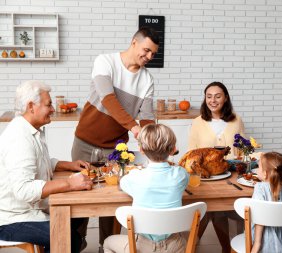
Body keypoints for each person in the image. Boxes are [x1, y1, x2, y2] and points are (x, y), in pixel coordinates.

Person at [71, 27, 159, 251]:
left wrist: (154, 140)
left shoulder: (147, 80)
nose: (148, 57)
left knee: (112, 203)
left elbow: (147, 118)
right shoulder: (105, 61)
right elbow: (107, 99)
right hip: (85, 143)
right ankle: (76, 244)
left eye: (153, 54)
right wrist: (133, 127)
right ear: (133, 43)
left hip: (116, 149)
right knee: (81, 199)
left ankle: (106, 247)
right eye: (146, 50)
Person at [0, 80, 93, 253]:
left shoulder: (29, 129)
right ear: (31, 106)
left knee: (78, 214)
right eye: (48, 104)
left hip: (28, 211)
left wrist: (67, 165)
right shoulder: (19, 138)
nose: (53, 109)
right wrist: (70, 184)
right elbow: (23, 189)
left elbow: (37, 160)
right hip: (12, 218)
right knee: (67, 237)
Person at [103, 124, 189, 253]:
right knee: (192, 237)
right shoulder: (181, 175)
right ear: (173, 150)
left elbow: (122, 183)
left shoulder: (135, 177)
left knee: (108, 242)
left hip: (140, 247)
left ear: (141, 150)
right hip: (175, 245)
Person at [188, 81, 244, 253]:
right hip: (205, 178)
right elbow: (191, 153)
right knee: (213, 209)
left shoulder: (236, 120)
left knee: (214, 210)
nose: (213, 100)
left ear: (225, 98)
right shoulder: (198, 122)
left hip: (230, 178)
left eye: (218, 96)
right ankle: (226, 248)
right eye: (209, 96)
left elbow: (241, 151)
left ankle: (192, 245)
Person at [251, 152, 282, 253]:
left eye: (258, 167)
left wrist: (257, 244)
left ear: (265, 173)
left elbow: (259, 219)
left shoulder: (259, 188)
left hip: (263, 241)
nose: (257, 170)